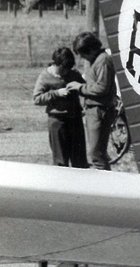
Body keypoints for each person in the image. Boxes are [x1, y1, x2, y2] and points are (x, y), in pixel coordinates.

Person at [33, 47, 87, 168]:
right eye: (63, 69)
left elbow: (85, 89)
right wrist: (56, 93)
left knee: (80, 160)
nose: (66, 72)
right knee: (60, 161)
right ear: (55, 64)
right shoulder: (45, 76)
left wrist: (83, 103)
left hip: (75, 120)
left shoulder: (74, 74)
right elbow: (37, 98)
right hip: (57, 122)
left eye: (69, 69)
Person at [73, 31, 117, 170]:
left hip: (100, 111)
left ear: (91, 49)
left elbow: (102, 88)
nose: (83, 58)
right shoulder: (96, 60)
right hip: (94, 110)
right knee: (97, 153)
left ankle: (106, 187)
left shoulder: (103, 61)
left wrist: (80, 88)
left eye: (83, 54)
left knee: (96, 155)